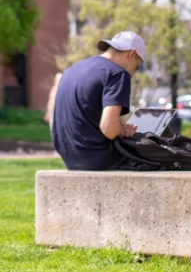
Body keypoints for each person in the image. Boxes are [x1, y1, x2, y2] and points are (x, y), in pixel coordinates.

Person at [51, 31, 146, 170]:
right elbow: (109, 129)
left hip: (70, 158)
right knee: (163, 157)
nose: (133, 73)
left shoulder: (71, 70)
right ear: (130, 54)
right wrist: (124, 133)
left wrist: (119, 127)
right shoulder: (117, 73)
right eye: (136, 67)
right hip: (99, 158)